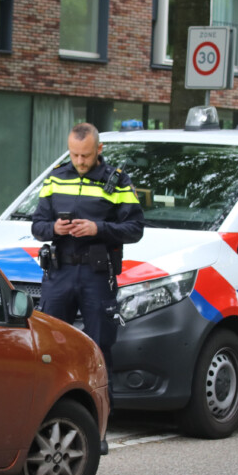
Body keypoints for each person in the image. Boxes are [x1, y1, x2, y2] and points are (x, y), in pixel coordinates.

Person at [31, 122, 144, 368]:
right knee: (50, 347)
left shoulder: (118, 181)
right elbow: (37, 226)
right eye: (74, 155)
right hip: (59, 272)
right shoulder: (56, 177)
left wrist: (98, 229)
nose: (80, 161)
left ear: (99, 149)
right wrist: (54, 229)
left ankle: (102, 394)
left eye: (86, 155)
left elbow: (135, 229)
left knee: (99, 349)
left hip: (97, 275)